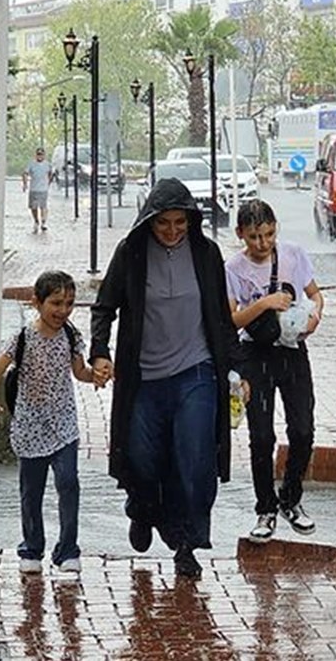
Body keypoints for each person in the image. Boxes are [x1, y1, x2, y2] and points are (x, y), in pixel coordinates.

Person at [90, 178, 249, 579]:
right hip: (144, 377)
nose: (173, 231)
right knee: (141, 459)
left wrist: (237, 369)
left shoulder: (206, 253)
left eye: (181, 222)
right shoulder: (132, 253)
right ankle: (142, 510)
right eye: (164, 223)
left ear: (191, 221)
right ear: (149, 221)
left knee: (194, 459)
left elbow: (220, 318)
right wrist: (100, 352)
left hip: (196, 372)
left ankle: (186, 543)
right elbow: (105, 306)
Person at [0, 271, 95, 575]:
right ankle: (32, 547)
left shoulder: (71, 336)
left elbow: (79, 371)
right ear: (36, 302)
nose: (63, 311)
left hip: (64, 424)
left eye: (69, 303)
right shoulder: (22, 338)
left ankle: (68, 550)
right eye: (56, 303)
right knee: (31, 492)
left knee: (68, 483)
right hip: (29, 427)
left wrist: (95, 375)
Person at [225, 200, 324, 543]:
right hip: (255, 354)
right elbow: (231, 319)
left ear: (276, 228)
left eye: (268, 234)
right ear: (241, 234)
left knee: (302, 430)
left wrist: (314, 318)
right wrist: (265, 303)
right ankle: (265, 508)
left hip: (293, 350)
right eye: (254, 237)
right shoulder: (233, 268)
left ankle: (291, 499)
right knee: (262, 437)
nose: (262, 243)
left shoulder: (294, 255)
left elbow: (315, 295)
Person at [22, 147, 55, 233]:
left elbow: (51, 174)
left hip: (43, 190)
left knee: (43, 206)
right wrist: (25, 184)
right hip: (33, 189)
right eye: (38, 154)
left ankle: (43, 222)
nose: (40, 156)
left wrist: (48, 183)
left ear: (44, 155)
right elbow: (25, 173)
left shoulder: (48, 164)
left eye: (41, 154)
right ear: (36, 155)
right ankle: (36, 221)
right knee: (33, 207)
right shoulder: (31, 164)